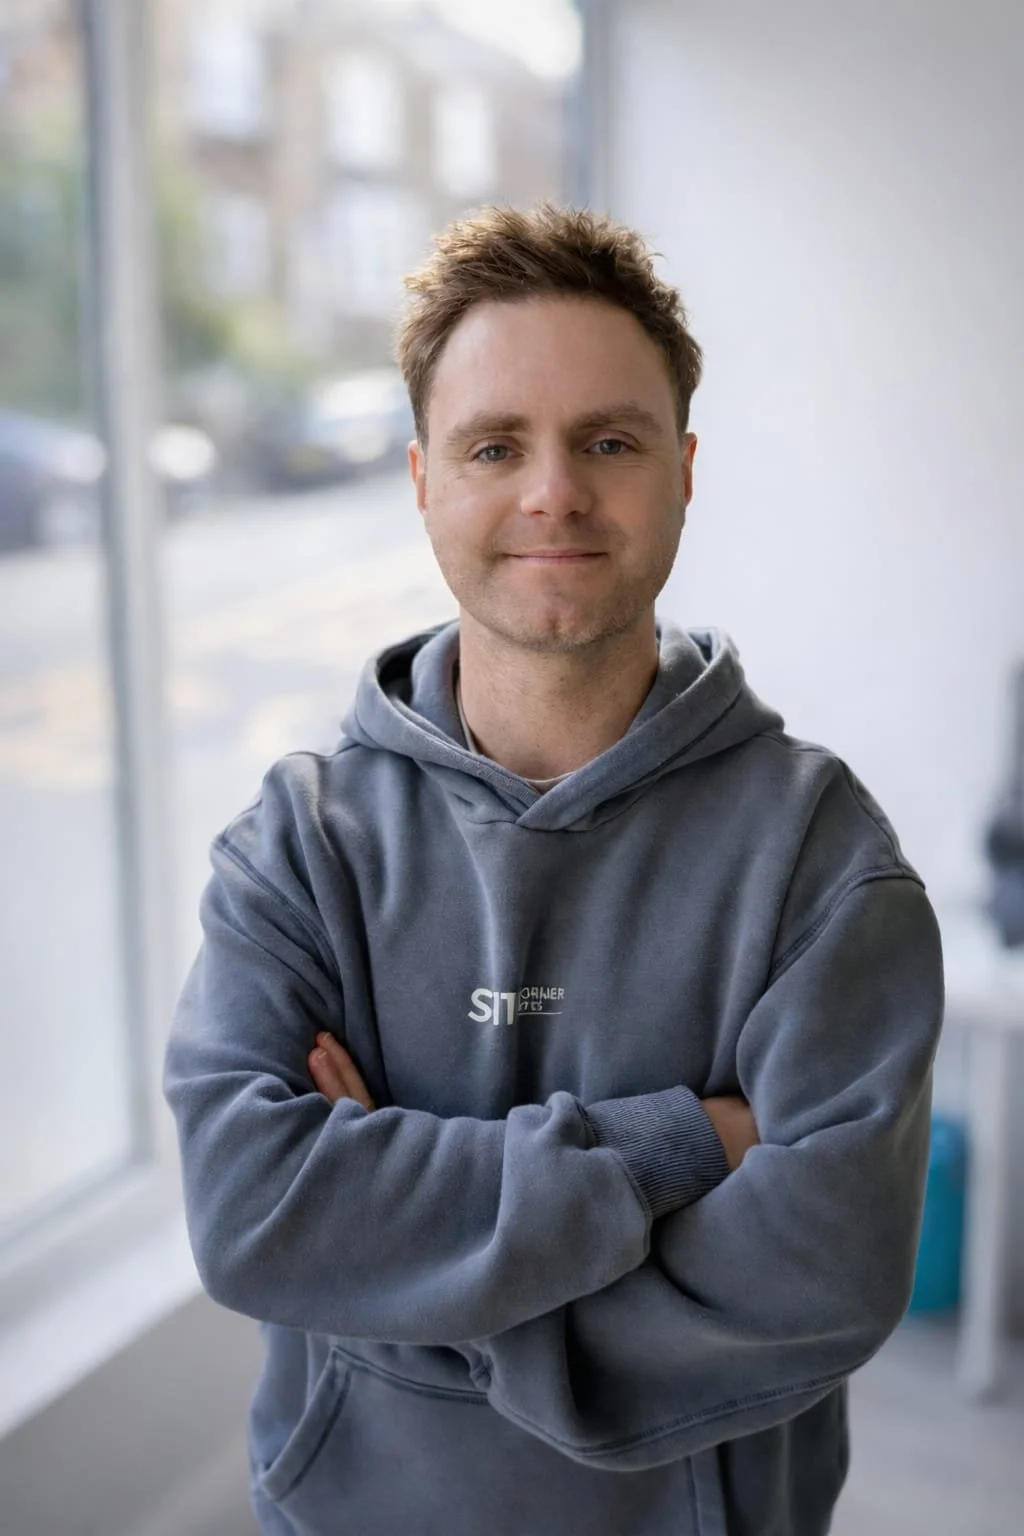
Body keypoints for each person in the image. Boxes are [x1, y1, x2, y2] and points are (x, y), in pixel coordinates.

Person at [164, 204, 944, 1536]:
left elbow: (828, 1273)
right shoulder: (298, 847)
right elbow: (251, 1215)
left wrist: (402, 1283)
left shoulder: (824, 865)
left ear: (684, 470)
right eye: (493, 445)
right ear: (421, 477)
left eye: (609, 441)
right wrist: (675, 1149)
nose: (554, 493)